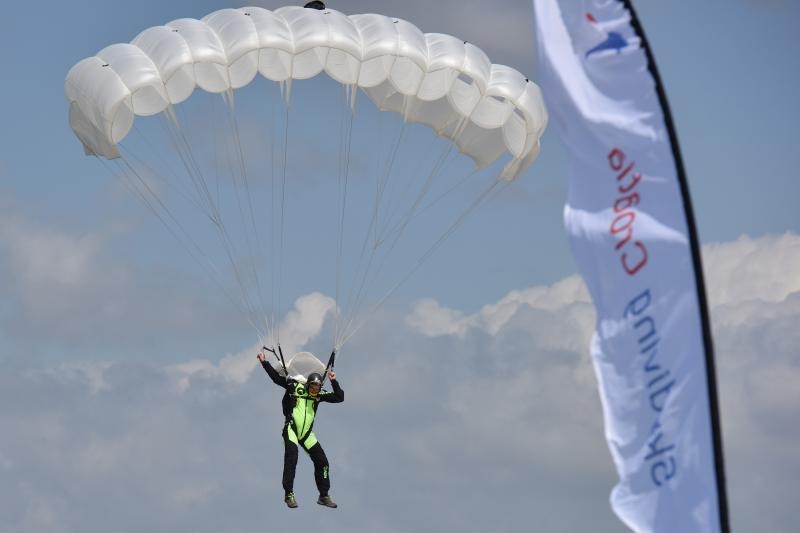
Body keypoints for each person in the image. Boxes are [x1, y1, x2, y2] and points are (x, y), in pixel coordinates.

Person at [257, 351, 344, 509]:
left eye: (317, 388)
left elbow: (339, 397)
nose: (314, 390)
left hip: (306, 434)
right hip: (291, 429)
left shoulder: (319, 394)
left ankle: (324, 495)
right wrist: (264, 362)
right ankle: (289, 494)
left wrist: (334, 381)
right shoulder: (295, 387)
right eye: (312, 387)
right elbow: (276, 378)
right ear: (308, 385)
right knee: (292, 458)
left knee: (323, 462)